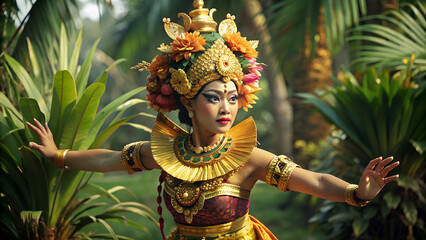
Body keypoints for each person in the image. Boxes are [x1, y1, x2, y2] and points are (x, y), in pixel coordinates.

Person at [27, 1, 399, 239]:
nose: (226, 108)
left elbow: (314, 179)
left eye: (233, 98)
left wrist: (357, 193)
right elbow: (109, 159)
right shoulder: (165, 152)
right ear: (188, 102)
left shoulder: (248, 157)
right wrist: (59, 155)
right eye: (214, 97)